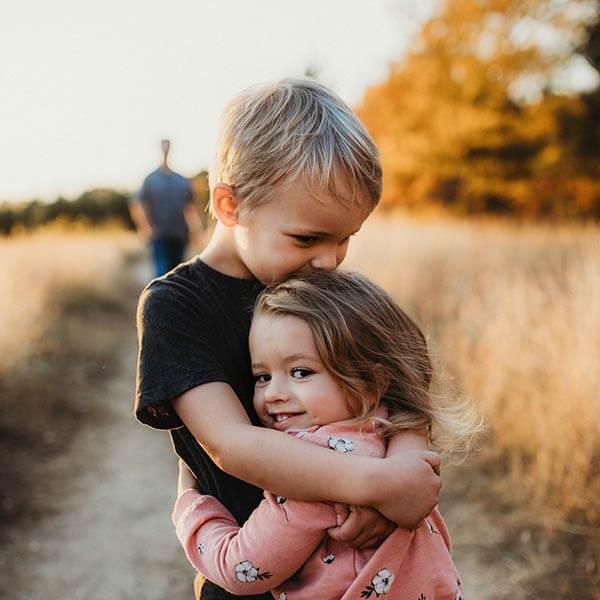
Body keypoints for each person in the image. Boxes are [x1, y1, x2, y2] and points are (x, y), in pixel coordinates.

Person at [134, 79, 442, 600]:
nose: (329, 260)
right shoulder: (177, 306)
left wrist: (404, 468)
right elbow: (232, 444)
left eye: (345, 238)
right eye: (307, 238)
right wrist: (376, 486)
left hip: (370, 572)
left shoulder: (323, 290)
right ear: (230, 206)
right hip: (254, 579)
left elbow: (408, 390)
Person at [172, 270, 475, 599]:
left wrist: (190, 505)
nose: (273, 393)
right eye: (261, 376)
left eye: (300, 372)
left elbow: (241, 569)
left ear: (370, 383)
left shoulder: (312, 472)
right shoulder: (387, 432)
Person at [129, 138, 202, 277]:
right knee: (162, 274)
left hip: (179, 235)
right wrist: (145, 227)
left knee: (177, 275)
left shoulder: (181, 180)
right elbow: (138, 204)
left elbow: (190, 207)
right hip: (159, 236)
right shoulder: (151, 179)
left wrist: (196, 230)